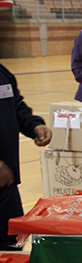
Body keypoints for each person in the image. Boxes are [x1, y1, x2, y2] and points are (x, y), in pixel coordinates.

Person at [0, 63, 52, 250]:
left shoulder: (2, 73)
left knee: (14, 243)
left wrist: (34, 125)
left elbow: (15, 106)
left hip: (7, 185)